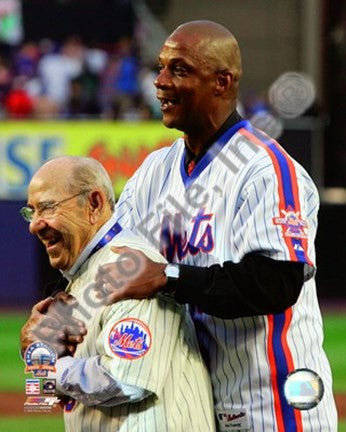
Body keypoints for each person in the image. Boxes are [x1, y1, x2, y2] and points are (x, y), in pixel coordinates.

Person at [95, 21, 338, 431]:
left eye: (180, 70)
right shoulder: (156, 170)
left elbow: (275, 282)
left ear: (222, 83)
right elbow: (115, 261)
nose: (160, 82)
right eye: (161, 67)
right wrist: (65, 309)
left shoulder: (267, 170)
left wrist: (168, 276)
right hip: (194, 407)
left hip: (274, 408)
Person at [19, 156, 216, 432]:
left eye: (47, 208)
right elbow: (62, 391)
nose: (35, 224)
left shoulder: (130, 267)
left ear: (94, 204)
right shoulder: (86, 274)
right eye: (32, 212)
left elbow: (125, 379)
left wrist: (51, 365)